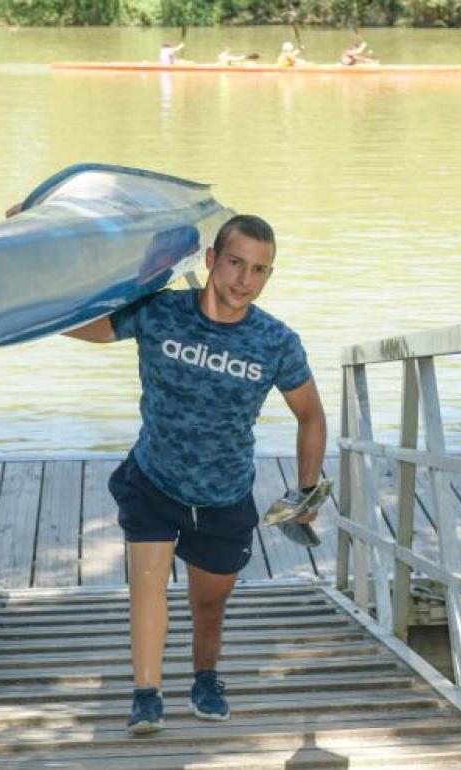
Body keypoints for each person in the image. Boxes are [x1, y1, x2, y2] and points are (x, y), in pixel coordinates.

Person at [62, 214, 327, 735]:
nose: (244, 279)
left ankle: (205, 676)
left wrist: (308, 489)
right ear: (211, 260)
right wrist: (36, 256)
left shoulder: (276, 342)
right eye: (234, 263)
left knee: (209, 604)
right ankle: (147, 693)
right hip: (154, 480)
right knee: (148, 585)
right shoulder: (160, 311)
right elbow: (78, 324)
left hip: (224, 496)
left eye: (259, 270)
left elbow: (311, 415)